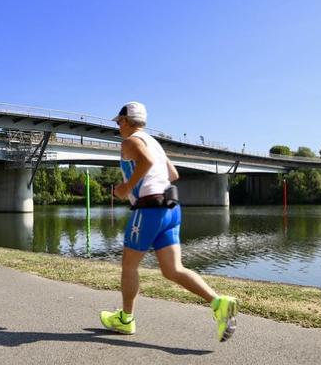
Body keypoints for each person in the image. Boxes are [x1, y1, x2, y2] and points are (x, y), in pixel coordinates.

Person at [100, 102, 239, 342]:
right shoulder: (154, 143)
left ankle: (125, 319)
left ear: (124, 120)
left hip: (149, 209)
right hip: (171, 208)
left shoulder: (131, 141)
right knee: (173, 270)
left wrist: (125, 188)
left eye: (118, 122)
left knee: (129, 266)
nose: (117, 126)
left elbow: (146, 164)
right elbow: (173, 175)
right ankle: (219, 303)